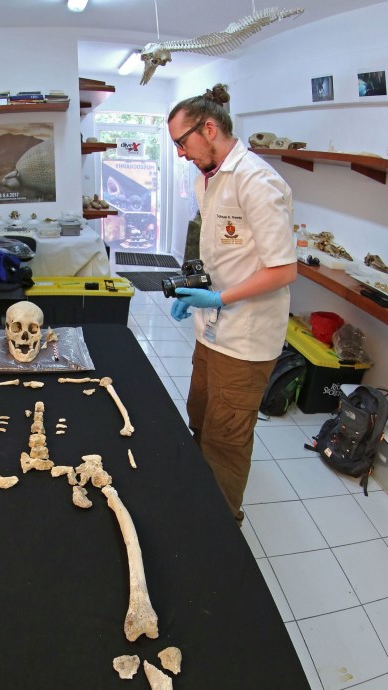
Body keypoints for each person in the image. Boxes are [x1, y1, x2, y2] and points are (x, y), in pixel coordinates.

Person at [167, 84, 297, 524]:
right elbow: (225, 253)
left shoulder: (258, 181)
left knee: (227, 439)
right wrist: (196, 289)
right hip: (212, 330)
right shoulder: (209, 177)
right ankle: (198, 499)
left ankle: (220, 532)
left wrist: (218, 297)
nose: (181, 154)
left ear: (208, 128)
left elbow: (283, 270)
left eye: (183, 143)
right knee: (200, 418)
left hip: (245, 339)